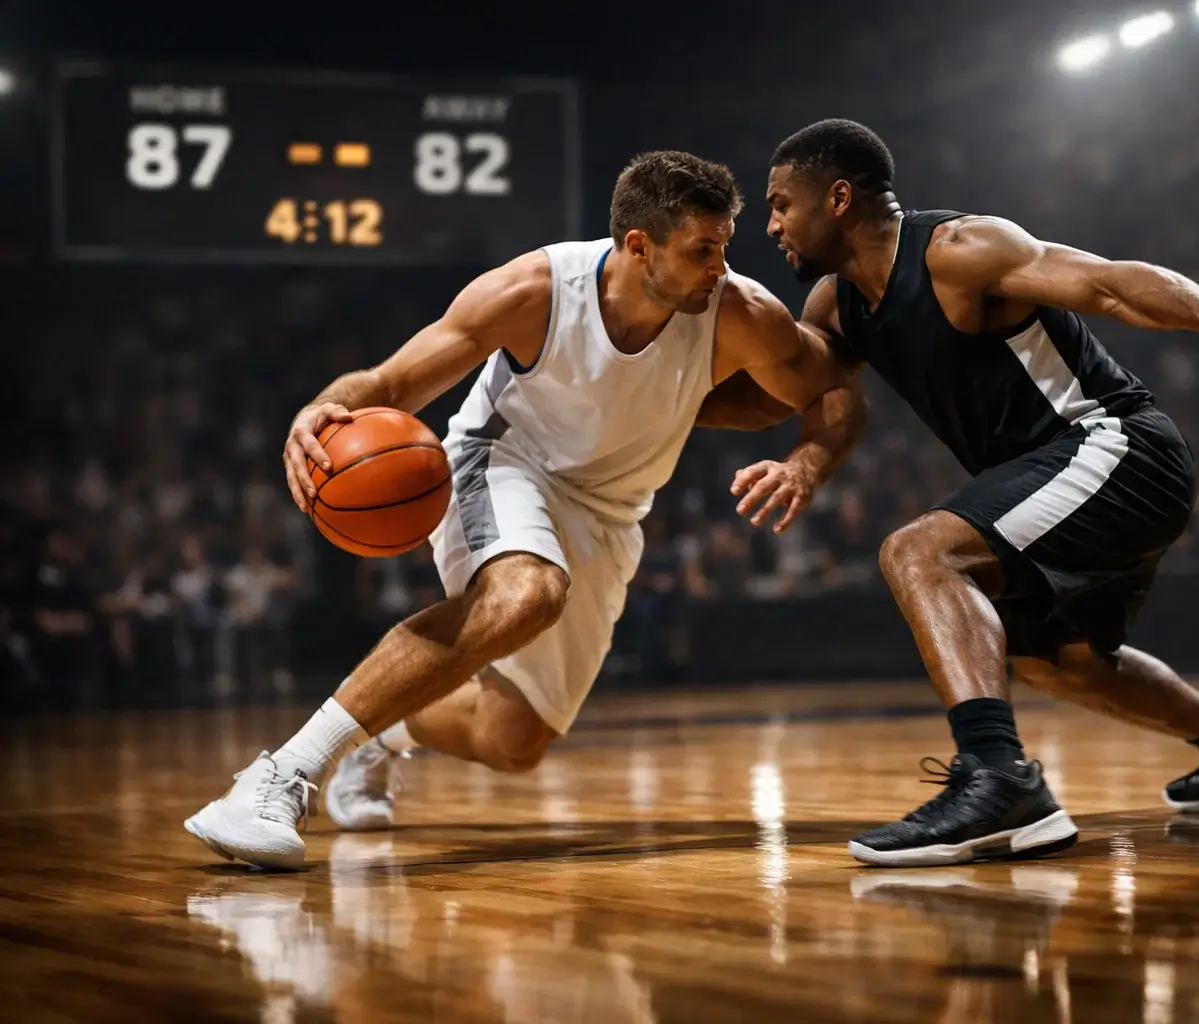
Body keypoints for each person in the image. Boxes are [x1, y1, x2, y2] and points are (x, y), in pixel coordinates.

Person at [185, 150, 865, 869]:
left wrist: (806, 461)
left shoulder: (737, 312)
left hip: (612, 510)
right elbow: (393, 380)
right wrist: (327, 406)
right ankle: (281, 775)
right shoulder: (536, 290)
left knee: (515, 741)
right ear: (639, 246)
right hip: (503, 463)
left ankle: (382, 734)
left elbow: (833, 390)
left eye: (725, 246)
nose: (719, 267)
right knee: (527, 595)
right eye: (703, 249)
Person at [699, 118, 1199, 867]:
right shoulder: (835, 306)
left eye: (781, 204)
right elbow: (804, 400)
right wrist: (672, 404)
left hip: (1116, 447)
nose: (771, 224)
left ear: (837, 198)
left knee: (920, 554)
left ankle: (1000, 782)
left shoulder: (958, 251)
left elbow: (1104, 279)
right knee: (1057, 660)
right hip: (1067, 477)